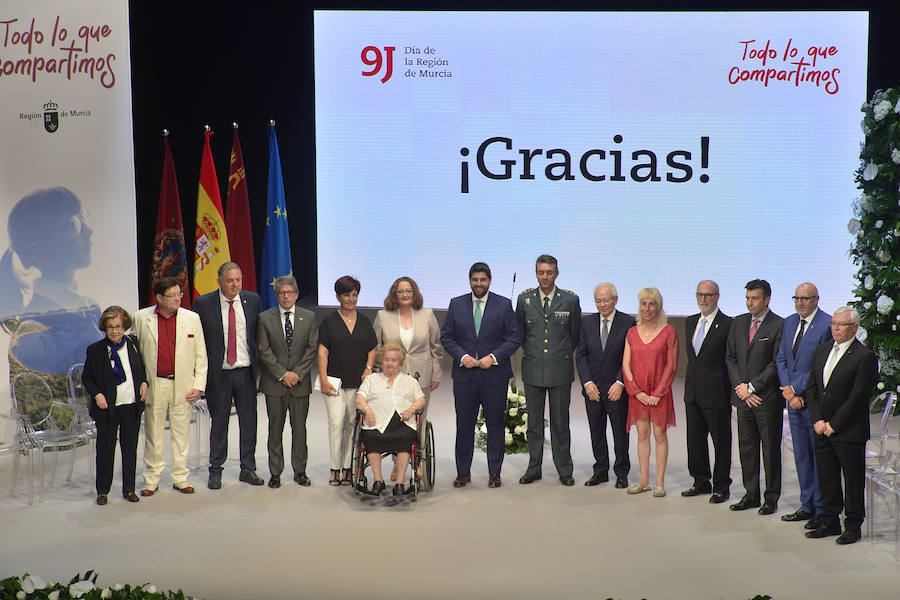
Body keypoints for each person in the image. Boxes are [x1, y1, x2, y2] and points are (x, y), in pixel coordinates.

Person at [441, 262, 520, 488]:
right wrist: (462, 356)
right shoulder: (456, 304)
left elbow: (513, 339)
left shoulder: (503, 305)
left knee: (495, 425)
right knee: (464, 426)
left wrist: (493, 357)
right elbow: (447, 337)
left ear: (490, 281)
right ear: (470, 281)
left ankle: (494, 472)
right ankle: (462, 473)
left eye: (482, 280)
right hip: (465, 376)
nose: (478, 284)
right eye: (475, 280)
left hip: (494, 376)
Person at [804, 307, 877, 545]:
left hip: (848, 431)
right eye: (834, 323)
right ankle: (829, 521)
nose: (835, 328)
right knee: (827, 476)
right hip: (822, 426)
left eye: (842, 324)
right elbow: (813, 387)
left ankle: (853, 526)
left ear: (854, 328)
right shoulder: (822, 350)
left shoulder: (864, 356)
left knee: (853, 480)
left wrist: (834, 424)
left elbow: (857, 398)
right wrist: (817, 420)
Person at [133, 277, 207, 496]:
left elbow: (201, 355)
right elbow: (135, 355)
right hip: (155, 384)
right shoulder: (141, 318)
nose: (177, 299)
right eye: (172, 296)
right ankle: (151, 479)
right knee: (153, 433)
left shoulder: (192, 318)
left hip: (183, 384)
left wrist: (199, 385)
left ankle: (180, 478)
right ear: (159, 298)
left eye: (179, 294)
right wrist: (140, 383)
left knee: (181, 433)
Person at [193, 262, 263, 489]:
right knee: (219, 423)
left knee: (248, 422)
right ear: (219, 281)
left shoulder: (252, 300)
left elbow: (258, 335)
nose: (235, 285)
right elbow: (197, 341)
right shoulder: (204, 304)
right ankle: (216, 469)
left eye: (238, 280)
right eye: (230, 280)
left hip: (245, 372)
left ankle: (248, 468)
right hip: (219, 375)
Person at [517, 254, 581, 486]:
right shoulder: (524, 299)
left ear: (556, 273)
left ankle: (564, 469)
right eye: (541, 272)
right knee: (533, 424)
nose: (545, 277)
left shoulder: (570, 301)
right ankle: (534, 468)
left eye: (549, 272)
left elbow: (574, 336)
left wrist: (557, 355)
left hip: (560, 371)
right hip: (533, 370)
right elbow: (522, 335)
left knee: (560, 423)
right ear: (536, 273)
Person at [373, 276, 444, 479]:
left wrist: (437, 373)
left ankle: (417, 461)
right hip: (392, 378)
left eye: (408, 291)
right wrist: (377, 377)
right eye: (400, 291)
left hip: (421, 376)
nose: (405, 295)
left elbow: (436, 347)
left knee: (418, 420)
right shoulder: (383, 316)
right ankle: (398, 463)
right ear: (394, 294)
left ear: (415, 293)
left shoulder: (427, 314)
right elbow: (377, 348)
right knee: (397, 419)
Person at [725, 279, 784, 515]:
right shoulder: (738, 322)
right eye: (748, 298)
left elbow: (776, 363)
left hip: (766, 399)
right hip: (743, 398)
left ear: (767, 299)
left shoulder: (778, 324)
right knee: (746, 448)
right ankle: (751, 494)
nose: (750, 302)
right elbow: (730, 358)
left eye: (755, 298)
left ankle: (771, 497)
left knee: (770, 450)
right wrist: (741, 387)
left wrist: (752, 387)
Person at [776, 282, 832, 529]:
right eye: (796, 298)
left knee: (817, 456)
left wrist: (796, 389)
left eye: (805, 299)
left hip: (813, 402)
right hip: (793, 401)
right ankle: (807, 505)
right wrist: (789, 393)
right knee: (800, 456)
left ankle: (822, 509)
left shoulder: (827, 325)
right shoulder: (789, 322)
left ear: (816, 299)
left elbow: (819, 367)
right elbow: (781, 359)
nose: (800, 302)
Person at [81, 306, 148, 505]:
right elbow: (87, 378)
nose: (114, 331)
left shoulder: (133, 344)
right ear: (104, 328)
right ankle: (102, 491)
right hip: (107, 409)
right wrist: (97, 394)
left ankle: (129, 489)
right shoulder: (95, 350)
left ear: (125, 326)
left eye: (118, 326)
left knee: (130, 449)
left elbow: (142, 369)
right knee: (105, 450)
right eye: (110, 327)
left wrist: (144, 382)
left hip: (131, 406)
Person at [257, 275, 318, 488]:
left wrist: (296, 374)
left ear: (297, 294)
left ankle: (300, 471)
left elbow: (312, 349)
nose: (286, 296)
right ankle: (275, 472)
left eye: (290, 292)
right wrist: (283, 374)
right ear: (276, 295)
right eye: (282, 293)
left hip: (300, 384)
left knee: (299, 429)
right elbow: (264, 351)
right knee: (275, 429)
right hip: (275, 384)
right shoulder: (265, 318)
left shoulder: (309, 317)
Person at [318, 275, 377, 486]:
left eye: (354, 295)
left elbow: (372, 348)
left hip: (358, 382)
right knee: (336, 422)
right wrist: (323, 379)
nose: (351, 299)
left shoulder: (364, 321)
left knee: (352, 424)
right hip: (334, 381)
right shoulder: (328, 321)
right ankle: (335, 468)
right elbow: (323, 352)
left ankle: (347, 467)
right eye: (346, 295)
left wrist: (369, 369)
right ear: (337, 296)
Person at [576, 282, 635, 489]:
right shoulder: (586, 322)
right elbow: (581, 355)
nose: (602, 305)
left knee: (620, 433)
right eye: (598, 301)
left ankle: (621, 473)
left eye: (606, 300)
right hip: (593, 389)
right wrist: (587, 383)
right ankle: (600, 470)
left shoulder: (628, 322)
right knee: (596, 432)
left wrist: (621, 383)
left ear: (615, 300)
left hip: (617, 389)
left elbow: (630, 357)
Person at [622, 288, 678, 497]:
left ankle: (659, 483)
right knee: (642, 434)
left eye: (651, 304)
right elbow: (626, 365)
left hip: (659, 394)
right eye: (643, 304)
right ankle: (644, 480)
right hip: (638, 394)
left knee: (659, 434)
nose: (647, 308)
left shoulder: (669, 331)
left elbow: (671, 366)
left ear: (658, 306)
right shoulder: (631, 332)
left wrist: (657, 393)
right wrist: (637, 392)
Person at [682, 280, 733, 503]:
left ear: (717, 297)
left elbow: (730, 360)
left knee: (721, 442)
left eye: (708, 295)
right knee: (695, 441)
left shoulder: (728, 324)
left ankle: (721, 486)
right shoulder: (690, 321)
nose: (703, 299)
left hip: (716, 393)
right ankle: (701, 481)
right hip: (693, 392)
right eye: (700, 294)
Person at [355, 343, 426, 496]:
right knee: (370, 436)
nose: (390, 363)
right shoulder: (372, 379)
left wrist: (411, 409)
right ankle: (378, 480)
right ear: (382, 361)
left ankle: (399, 483)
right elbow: (359, 398)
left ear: (400, 362)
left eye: (394, 360)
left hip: (402, 421)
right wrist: (368, 410)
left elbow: (421, 399)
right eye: (386, 360)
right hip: (376, 421)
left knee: (405, 438)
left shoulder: (410, 381)